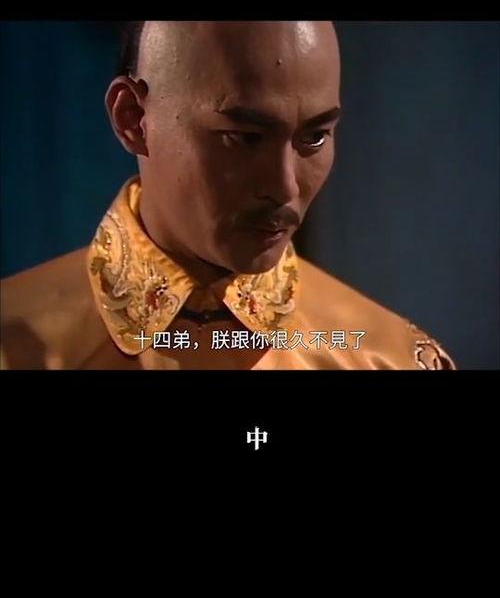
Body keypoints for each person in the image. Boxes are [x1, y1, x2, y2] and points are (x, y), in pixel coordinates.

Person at [0, 21, 455, 370]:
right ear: (134, 118)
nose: (285, 188)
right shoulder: (15, 346)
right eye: (244, 138)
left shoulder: (387, 358)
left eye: (314, 138)